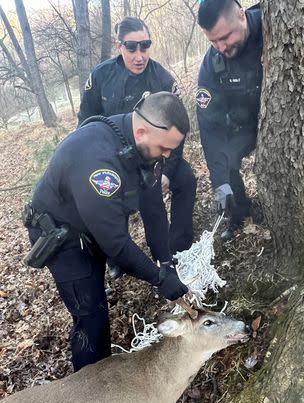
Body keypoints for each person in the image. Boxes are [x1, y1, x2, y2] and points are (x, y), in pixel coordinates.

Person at [24, 92, 189, 372]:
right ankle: (88, 391)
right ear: (141, 131)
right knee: (91, 317)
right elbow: (116, 244)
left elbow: (154, 209)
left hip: (92, 225)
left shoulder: (143, 146)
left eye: (171, 149)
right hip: (60, 238)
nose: (168, 155)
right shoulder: (98, 162)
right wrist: (159, 280)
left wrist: (167, 262)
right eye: (164, 149)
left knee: (98, 303)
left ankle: (101, 377)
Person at [196, 0, 304, 241]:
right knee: (226, 160)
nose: (220, 47)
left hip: (292, 112)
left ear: (241, 15)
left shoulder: (276, 25)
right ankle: (240, 211)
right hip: (249, 120)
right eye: (213, 41)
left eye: (225, 37)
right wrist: (219, 182)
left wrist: (295, 67)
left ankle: (292, 222)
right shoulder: (213, 62)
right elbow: (209, 125)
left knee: (289, 154)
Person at [78, 16, 196, 268]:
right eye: (131, 47)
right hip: (113, 158)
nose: (139, 55)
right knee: (107, 203)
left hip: (152, 158)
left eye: (145, 45)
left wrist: (167, 171)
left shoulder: (162, 79)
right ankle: (116, 258)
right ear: (118, 46)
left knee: (173, 188)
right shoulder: (101, 76)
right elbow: (86, 121)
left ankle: (172, 253)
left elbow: (176, 133)